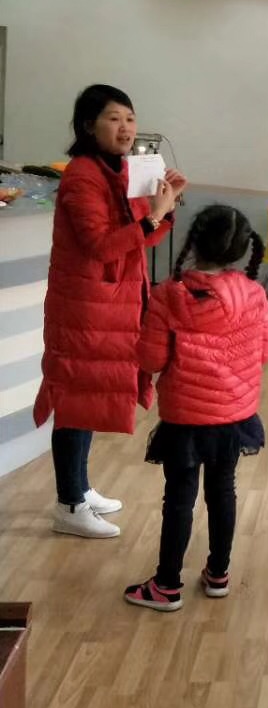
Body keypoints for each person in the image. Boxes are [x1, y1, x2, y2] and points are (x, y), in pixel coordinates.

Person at [34, 84, 186, 539]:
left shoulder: (118, 170)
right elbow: (101, 246)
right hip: (84, 305)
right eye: (114, 118)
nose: (126, 128)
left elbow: (138, 239)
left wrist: (164, 209)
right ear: (88, 126)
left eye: (130, 119)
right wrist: (152, 216)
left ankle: (79, 488)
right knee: (75, 397)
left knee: (90, 395)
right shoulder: (83, 175)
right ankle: (69, 504)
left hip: (109, 302)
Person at [124, 205, 268, 612]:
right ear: (242, 249)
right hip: (234, 416)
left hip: (186, 419)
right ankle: (218, 574)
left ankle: (166, 585)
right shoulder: (254, 295)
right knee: (223, 491)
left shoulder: (169, 295)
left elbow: (152, 359)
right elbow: (266, 351)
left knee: (179, 497)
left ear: (195, 242)